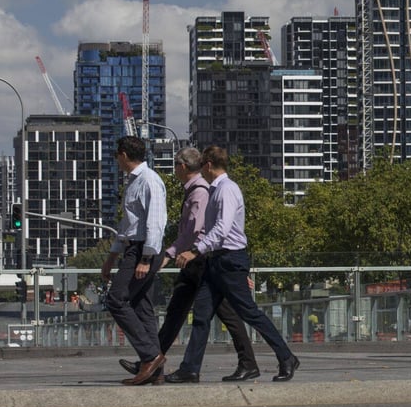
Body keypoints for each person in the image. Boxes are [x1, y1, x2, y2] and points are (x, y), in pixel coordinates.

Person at [118, 147, 259, 383]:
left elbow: (196, 232)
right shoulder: (196, 191)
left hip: (200, 261)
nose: (173, 170)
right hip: (194, 261)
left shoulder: (200, 193)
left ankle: (246, 362)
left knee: (227, 314)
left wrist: (169, 254)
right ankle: (152, 360)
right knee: (176, 313)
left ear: (183, 167)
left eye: (175, 165)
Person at [172, 145, 299, 382]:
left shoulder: (227, 190)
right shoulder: (216, 190)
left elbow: (222, 228)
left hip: (229, 260)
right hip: (217, 261)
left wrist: (194, 251)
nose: (201, 171)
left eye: (202, 166)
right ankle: (189, 368)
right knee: (201, 315)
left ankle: (286, 357)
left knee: (249, 313)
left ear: (208, 165)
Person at [101, 135, 168, 386]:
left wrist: (146, 258)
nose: (117, 160)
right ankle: (155, 370)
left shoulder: (149, 180)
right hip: (134, 248)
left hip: (144, 250)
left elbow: (156, 222)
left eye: (117, 155)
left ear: (124, 155)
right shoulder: (132, 182)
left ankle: (150, 356)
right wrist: (111, 257)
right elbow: (127, 224)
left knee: (116, 300)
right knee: (140, 306)